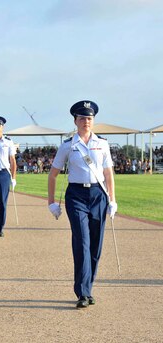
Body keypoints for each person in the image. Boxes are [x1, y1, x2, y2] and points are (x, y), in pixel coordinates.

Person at [48, 100, 117, 309]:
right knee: (82, 241)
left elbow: (108, 174)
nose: (86, 121)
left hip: (98, 194)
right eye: (82, 118)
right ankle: (82, 292)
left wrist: (112, 199)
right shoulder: (68, 145)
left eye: (89, 118)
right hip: (76, 195)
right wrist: (51, 203)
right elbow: (53, 175)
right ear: (75, 121)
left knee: (95, 245)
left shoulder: (102, 144)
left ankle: (88, 285)